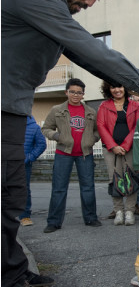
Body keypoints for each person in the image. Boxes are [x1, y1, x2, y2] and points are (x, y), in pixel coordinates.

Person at [1, 0, 139, 287]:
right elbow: (92, 50)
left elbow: (90, 57)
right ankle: (9, 285)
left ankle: (11, 271)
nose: (90, 2)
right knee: (7, 200)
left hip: (10, 107)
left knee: (10, 196)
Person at [41, 78, 101, 233]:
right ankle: (54, 222)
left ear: (83, 95)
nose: (75, 95)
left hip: (85, 154)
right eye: (72, 91)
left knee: (88, 188)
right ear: (66, 92)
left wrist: (92, 139)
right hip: (63, 154)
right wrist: (56, 136)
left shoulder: (90, 111)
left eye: (79, 92)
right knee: (59, 189)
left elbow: (96, 130)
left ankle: (91, 218)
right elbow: (46, 128)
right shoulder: (57, 110)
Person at [97, 80, 139, 226]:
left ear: (125, 88)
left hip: (130, 148)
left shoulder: (135, 105)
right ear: (108, 89)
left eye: (120, 86)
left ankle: (130, 211)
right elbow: (101, 125)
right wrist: (113, 146)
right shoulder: (104, 106)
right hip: (110, 150)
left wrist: (125, 145)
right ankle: (118, 211)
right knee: (114, 179)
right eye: (113, 87)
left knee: (131, 177)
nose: (117, 89)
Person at [19, 115, 47, 227]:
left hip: (23, 164)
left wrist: (29, 157)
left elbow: (41, 144)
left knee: (23, 189)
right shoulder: (6, 122)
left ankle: (24, 216)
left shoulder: (33, 126)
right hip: (5, 161)